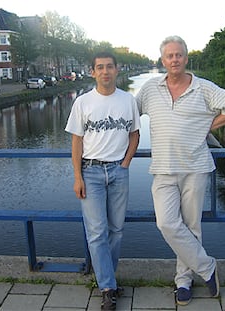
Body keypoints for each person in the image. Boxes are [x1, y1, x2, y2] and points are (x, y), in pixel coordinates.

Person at [136, 35, 225, 306]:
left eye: (179, 55)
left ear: (186, 58)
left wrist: (208, 125)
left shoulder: (203, 88)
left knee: (191, 226)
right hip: (162, 168)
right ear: (162, 60)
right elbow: (129, 113)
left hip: (195, 167)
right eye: (169, 56)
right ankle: (208, 268)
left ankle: (183, 281)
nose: (174, 59)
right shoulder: (150, 89)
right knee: (166, 223)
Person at [65, 51, 140, 311]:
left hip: (119, 172)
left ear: (117, 70)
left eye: (109, 67)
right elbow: (76, 141)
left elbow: (135, 134)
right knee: (97, 233)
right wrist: (77, 176)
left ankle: (109, 278)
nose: (105, 71)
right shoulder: (83, 102)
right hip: (91, 173)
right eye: (100, 67)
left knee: (116, 230)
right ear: (93, 71)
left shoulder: (128, 100)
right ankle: (108, 287)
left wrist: (126, 163)